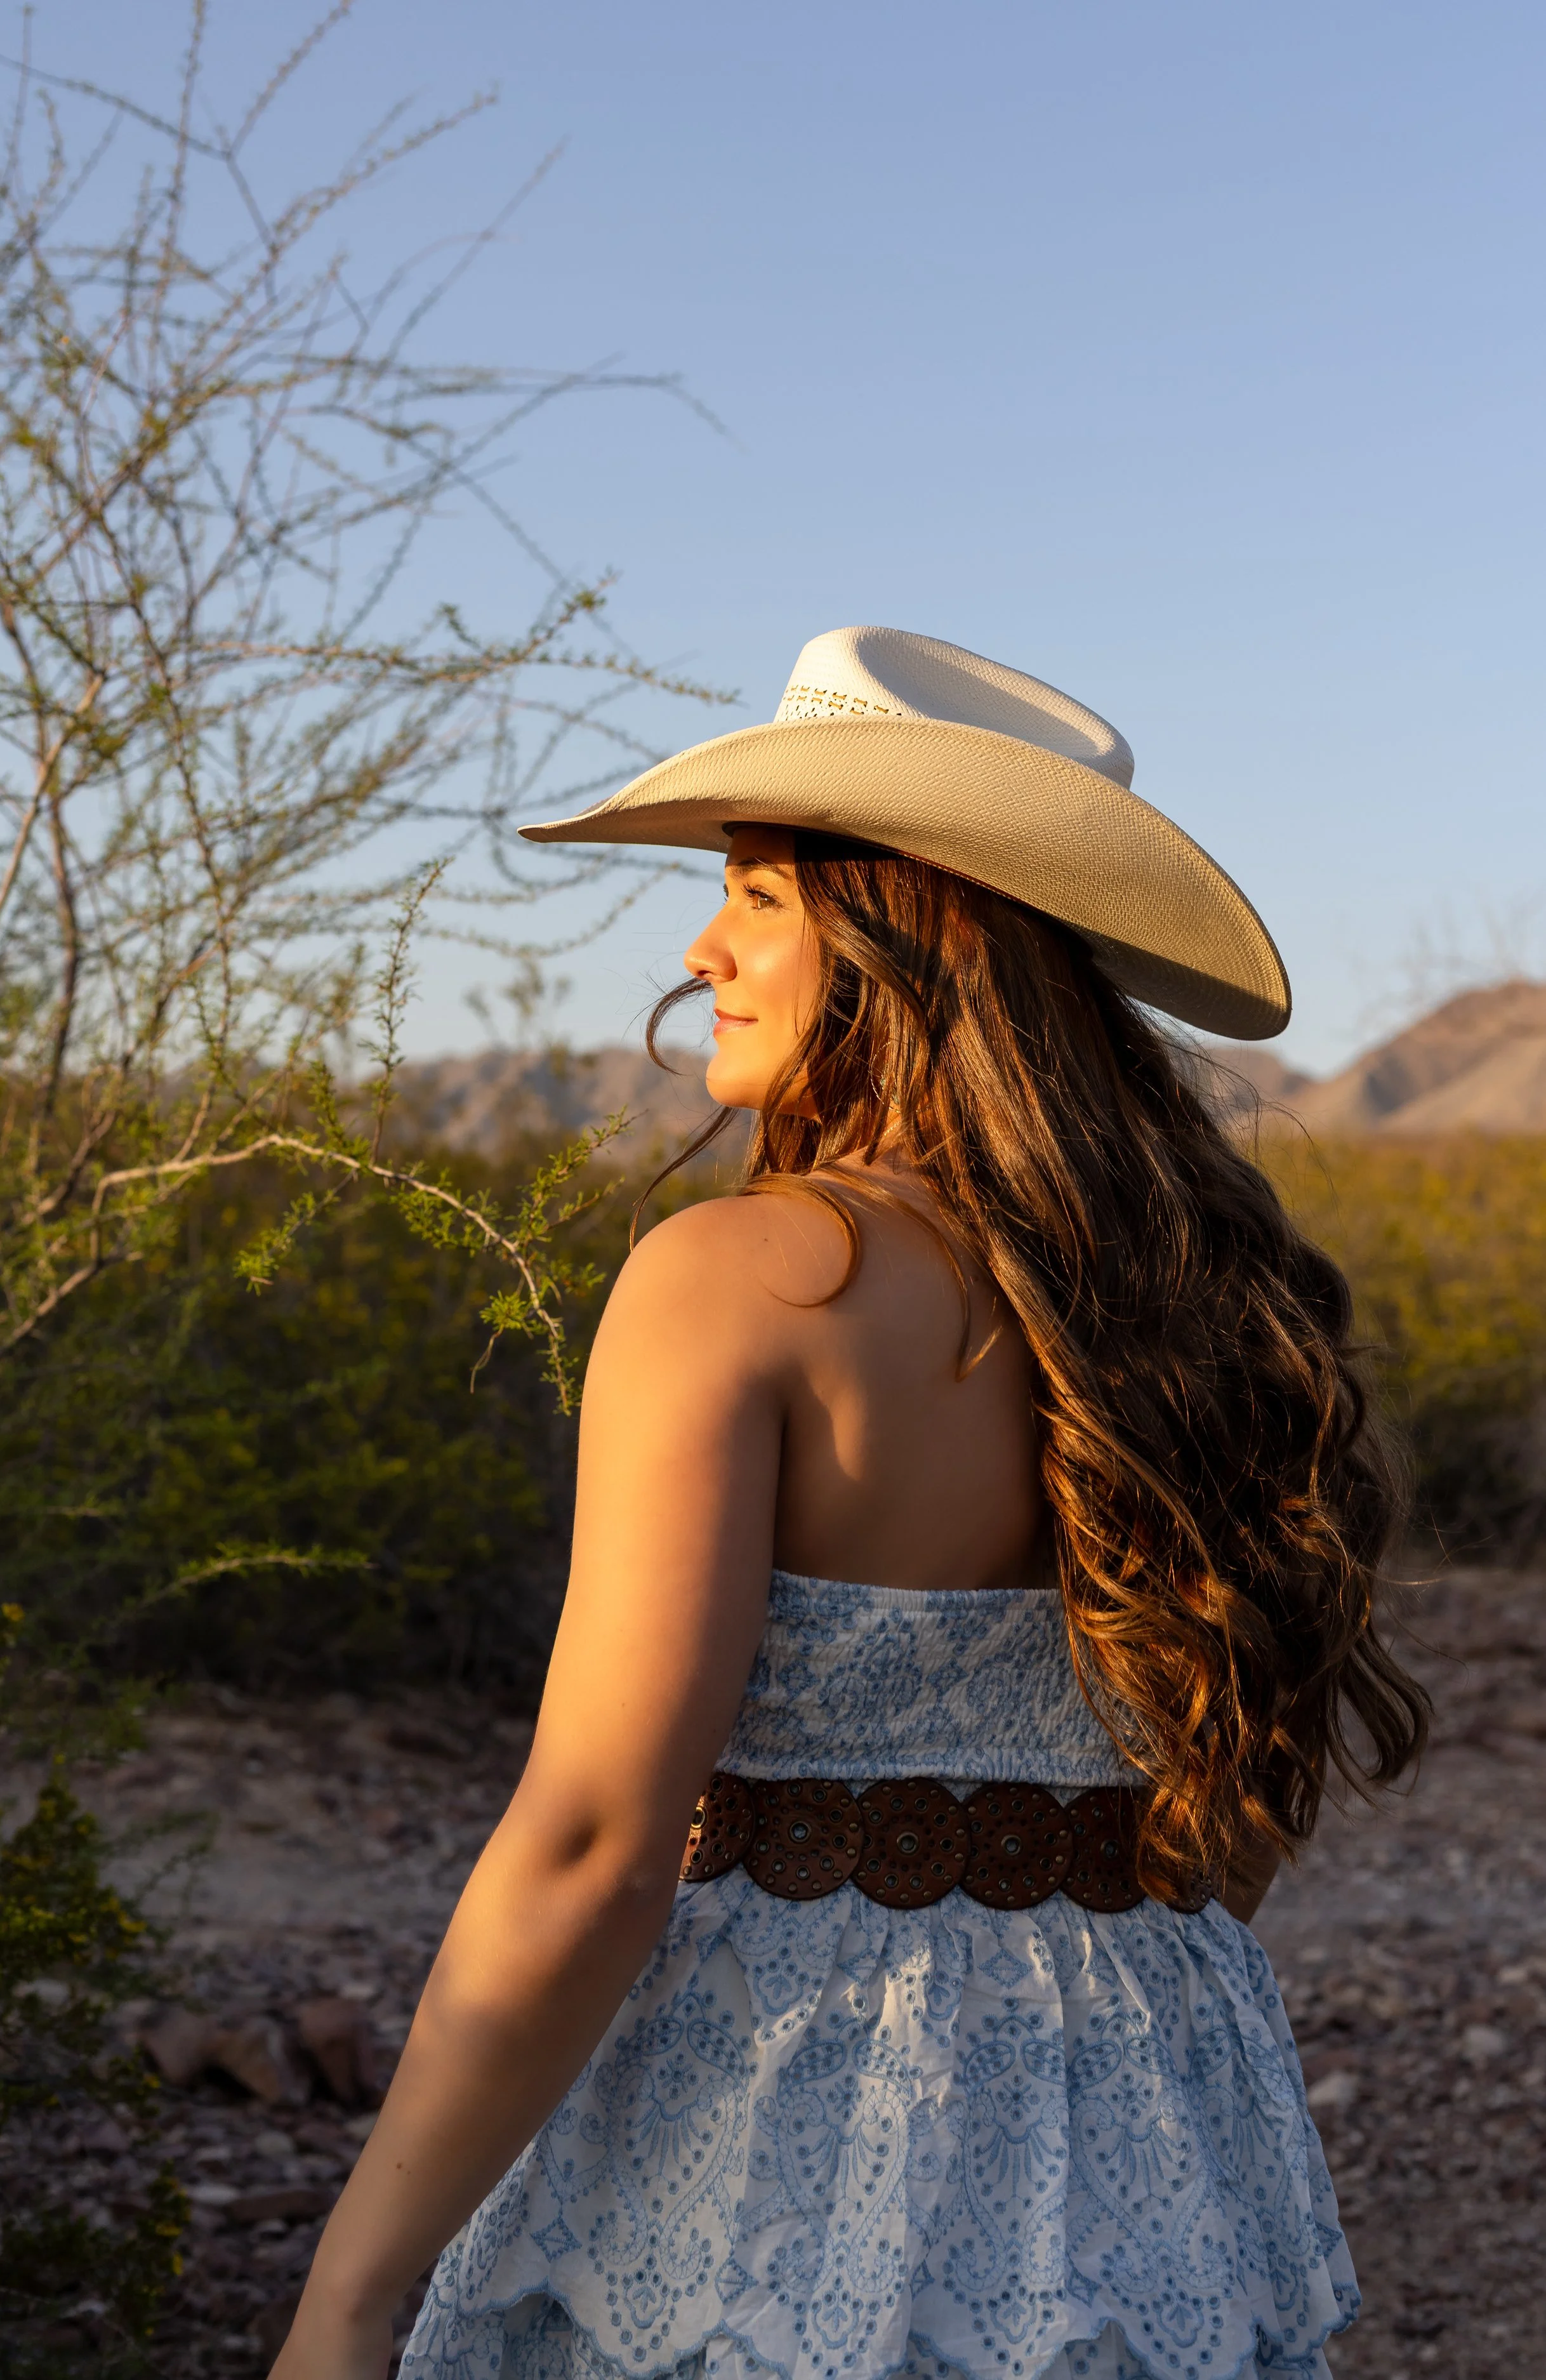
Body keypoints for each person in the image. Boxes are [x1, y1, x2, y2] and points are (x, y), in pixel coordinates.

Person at [272, 628, 1428, 2380]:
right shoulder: (1193, 1318)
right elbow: (1224, 1833)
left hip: (771, 2144)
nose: (701, 944)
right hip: (1140, 2168)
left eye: (756, 894)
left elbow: (591, 1841)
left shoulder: (733, 1282)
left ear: (901, 921)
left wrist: (349, 2298)